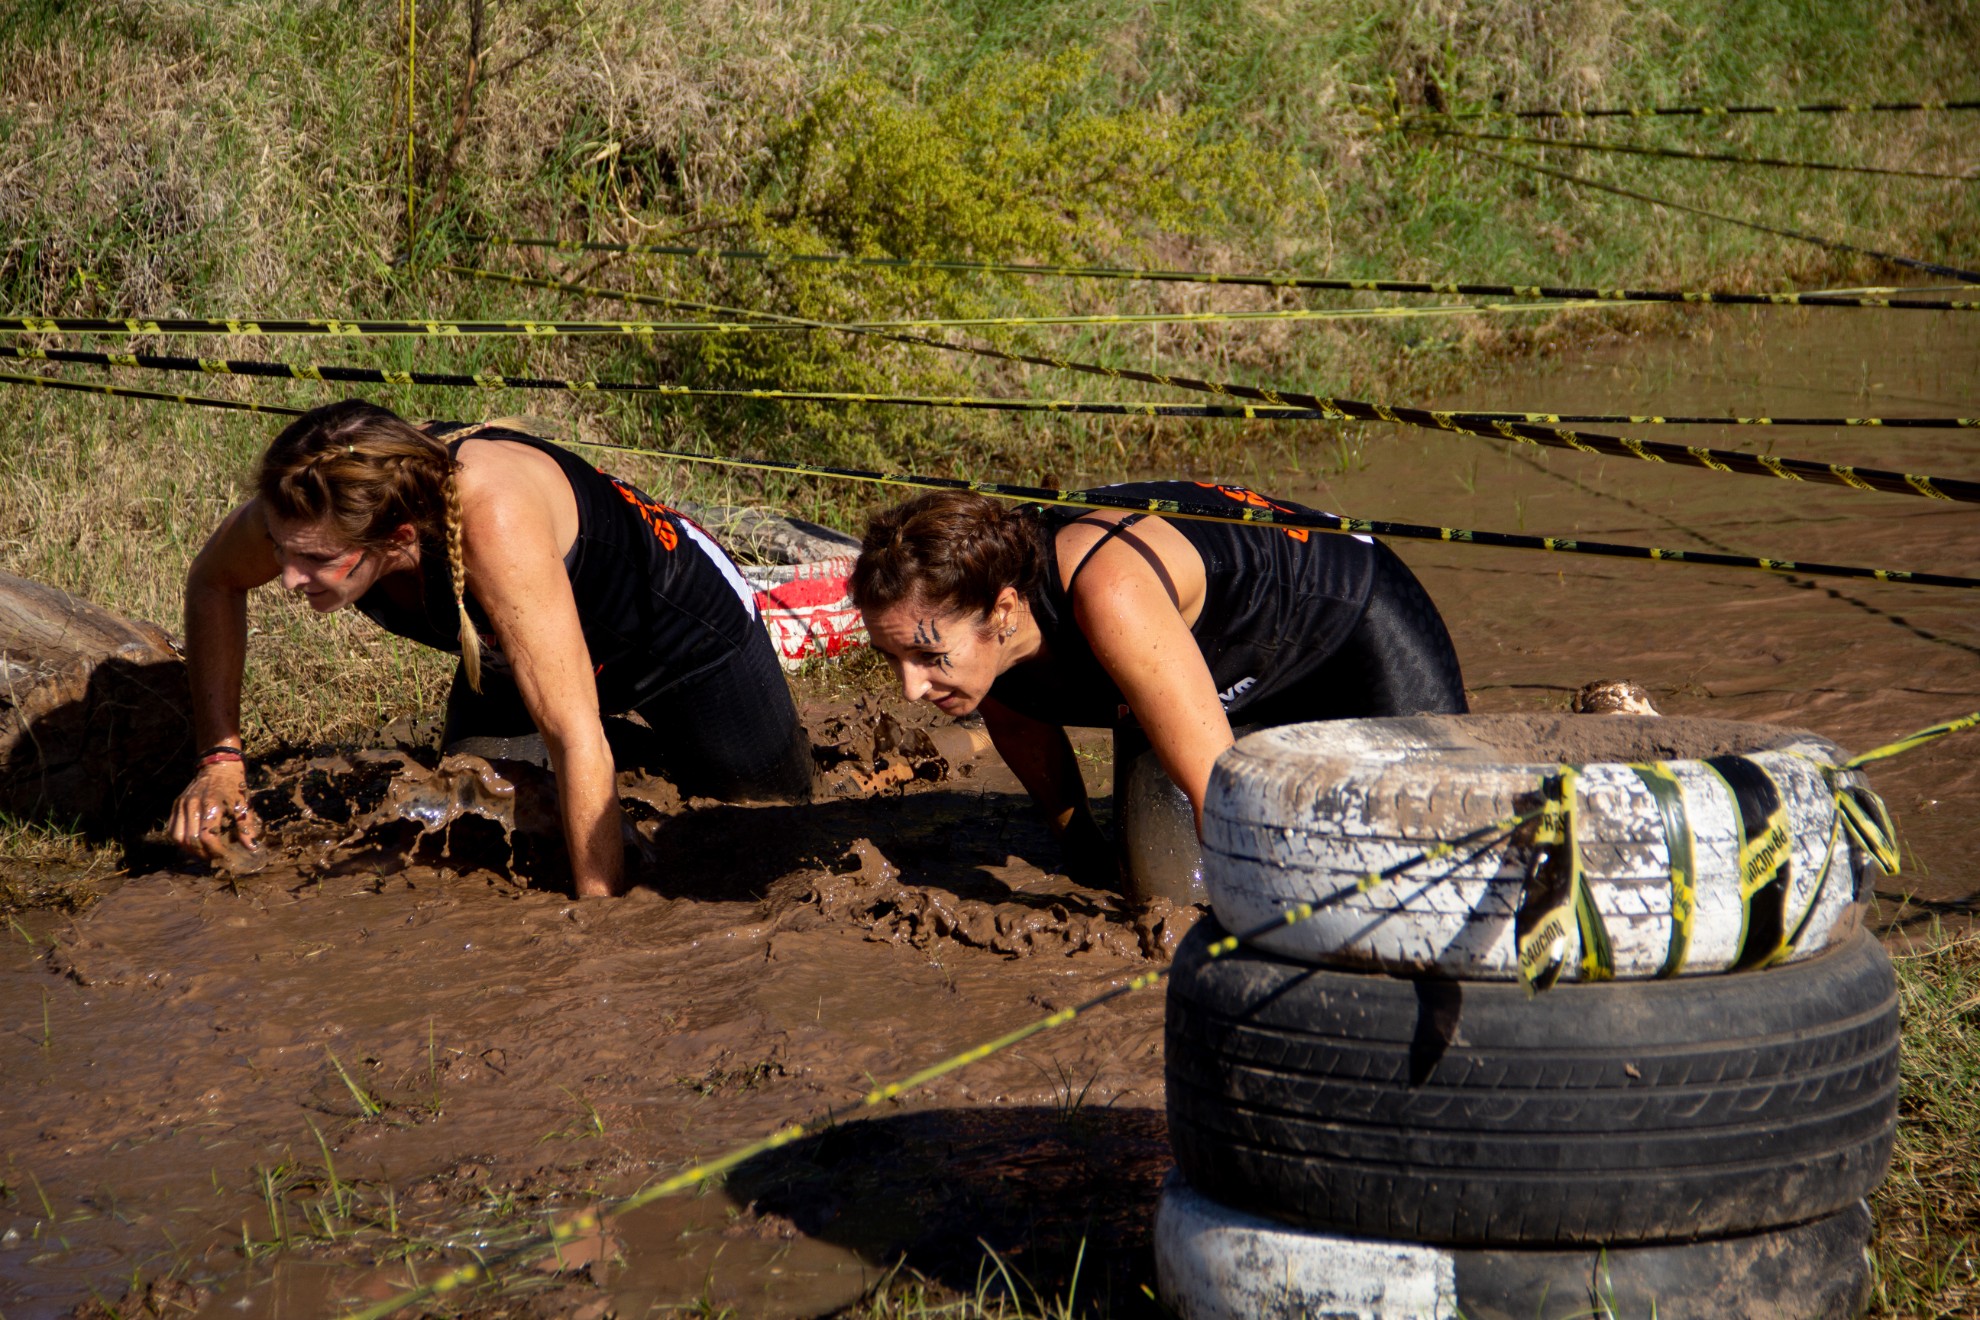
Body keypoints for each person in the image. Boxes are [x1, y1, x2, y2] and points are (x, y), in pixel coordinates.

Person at [168, 399, 812, 897]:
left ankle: (650, 753)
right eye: (282, 549)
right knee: (472, 825)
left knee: (765, 830)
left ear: (397, 535)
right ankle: (629, 761)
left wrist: (601, 935)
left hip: (686, 635)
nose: (287, 576)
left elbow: (573, 733)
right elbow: (213, 580)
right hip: (516, 650)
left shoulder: (493, 521)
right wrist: (220, 761)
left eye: (314, 560)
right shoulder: (308, 503)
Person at [850, 482, 1467, 894]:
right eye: (893, 656)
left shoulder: (1109, 596)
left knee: (1435, 852)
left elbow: (1221, 800)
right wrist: (1085, 860)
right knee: (1167, 885)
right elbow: (1019, 720)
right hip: (1215, 662)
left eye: (929, 655)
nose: (911, 687)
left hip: (1347, 621)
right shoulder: (988, 644)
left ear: (1004, 610)